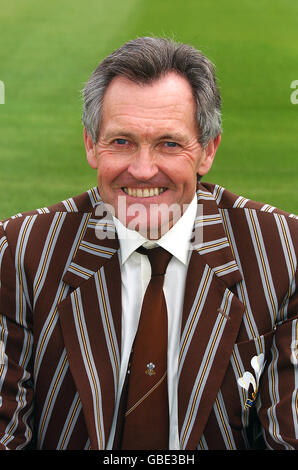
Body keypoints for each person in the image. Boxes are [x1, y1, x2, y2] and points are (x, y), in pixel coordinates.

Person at [0, 37, 297, 451]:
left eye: (169, 144)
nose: (142, 170)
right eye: (121, 141)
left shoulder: (285, 253)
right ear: (91, 144)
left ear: (207, 151)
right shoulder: (21, 251)